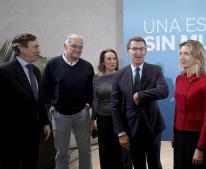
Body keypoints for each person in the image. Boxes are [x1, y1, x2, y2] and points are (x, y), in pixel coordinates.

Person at [111, 36, 169, 169]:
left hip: (153, 127)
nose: (138, 52)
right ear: (128, 51)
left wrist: (140, 95)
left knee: (155, 163)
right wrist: (121, 132)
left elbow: (164, 91)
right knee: (138, 164)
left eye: (141, 49)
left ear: (145, 51)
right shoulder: (119, 75)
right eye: (135, 49)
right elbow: (115, 106)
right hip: (131, 129)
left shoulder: (155, 70)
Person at [0, 33, 51, 169]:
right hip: (12, 135)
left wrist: (45, 122)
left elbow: (40, 100)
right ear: (22, 49)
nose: (39, 50)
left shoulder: (35, 71)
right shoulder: (4, 72)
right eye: (35, 47)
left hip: (34, 133)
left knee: (31, 164)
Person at [43, 34, 94, 169]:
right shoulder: (52, 65)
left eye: (81, 47)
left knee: (85, 152)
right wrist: (51, 107)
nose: (78, 49)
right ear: (65, 46)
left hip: (81, 114)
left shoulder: (87, 66)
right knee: (61, 153)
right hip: (59, 115)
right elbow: (44, 90)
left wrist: (88, 104)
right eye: (74, 46)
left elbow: (91, 89)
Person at [173, 40, 206, 169]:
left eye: (186, 54)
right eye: (180, 53)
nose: (181, 57)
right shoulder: (179, 79)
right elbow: (177, 108)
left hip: (197, 138)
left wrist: (200, 148)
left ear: (197, 56)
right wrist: (174, 134)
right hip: (180, 136)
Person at [91, 49, 132, 169]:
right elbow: (95, 100)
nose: (112, 61)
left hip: (120, 118)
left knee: (123, 151)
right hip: (103, 120)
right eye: (109, 59)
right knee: (106, 151)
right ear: (103, 62)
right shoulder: (96, 79)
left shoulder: (123, 75)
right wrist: (92, 120)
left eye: (114, 58)